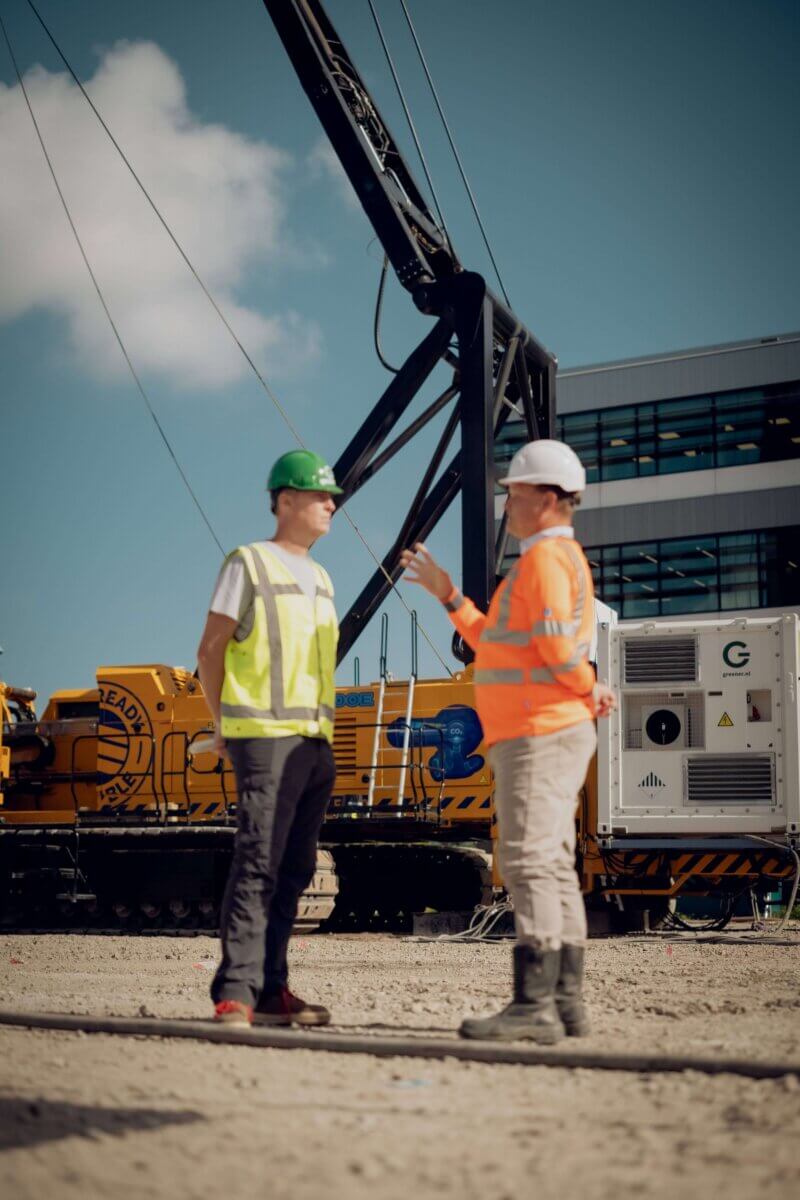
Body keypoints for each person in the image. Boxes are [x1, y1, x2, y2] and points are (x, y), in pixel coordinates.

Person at [400, 439, 616, 1043]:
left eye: (514, 492)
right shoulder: (548, 563)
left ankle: (536, 1006)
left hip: (537, 731)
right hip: (543, 729)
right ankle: (565, 1001)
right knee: (548, 864)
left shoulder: (546, 563)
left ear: (547, 498)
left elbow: (554, 649)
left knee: (526, 862)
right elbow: (494, 641)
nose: (505, 502)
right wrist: (448, 595)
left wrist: (587, 686)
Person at [197, 449, 342, 1028]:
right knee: (258, 860)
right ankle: (236, 992)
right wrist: (224, 723)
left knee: (296, 868)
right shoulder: (248, 563)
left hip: (314, 741)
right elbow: (210, 649)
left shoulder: (324, 578)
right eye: (320, 495)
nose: (331, 504)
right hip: (263, 734)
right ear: (285, 501)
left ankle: (274, 989)